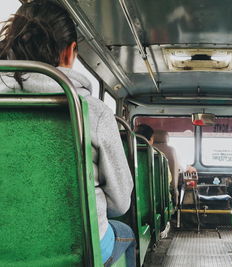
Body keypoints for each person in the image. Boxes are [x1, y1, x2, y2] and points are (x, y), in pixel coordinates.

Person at [0, 1, 135, 266]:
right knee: (126, 234)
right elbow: (121, 204)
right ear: (70, 52)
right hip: (79, 249)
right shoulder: (92, 112)